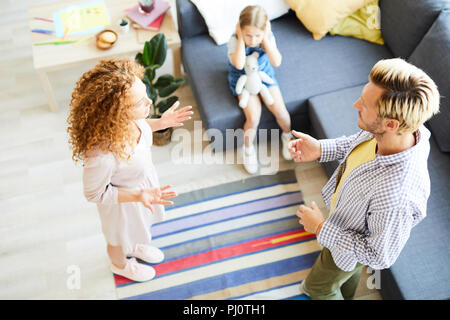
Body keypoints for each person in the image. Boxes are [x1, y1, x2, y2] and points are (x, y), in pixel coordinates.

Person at [288, 58, 440, 300]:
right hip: (345, 227)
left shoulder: (397, 196)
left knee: (318, 287)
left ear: (391, 123)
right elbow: (354, 143)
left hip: (346, 245)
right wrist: (320, 149)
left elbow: (378, 256)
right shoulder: (389, 132)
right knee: (344, 279)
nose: (355, 104)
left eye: (365, 105)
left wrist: (320, 227)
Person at [67, 58, 193, 282]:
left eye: (144, 92)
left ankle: (133, 246)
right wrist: (137, 195)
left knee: (137, 227)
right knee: (117, 238)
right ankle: (120, 264)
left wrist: (160, 123)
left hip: (141, 190)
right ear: (116, 112)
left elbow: (142, 126)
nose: (149, 101)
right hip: (120, 204)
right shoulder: (102, 154)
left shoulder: (131, 121)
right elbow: (93, 194)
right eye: (138, 102)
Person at [228, 5, 293, 174]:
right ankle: (248, 149)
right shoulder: (235, 41)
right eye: (248, 35)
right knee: (253, 117)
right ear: (240, 30)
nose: (252, 40)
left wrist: (265, 38)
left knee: (281, 112)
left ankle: (287, 136)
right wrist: (241, 39)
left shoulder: (267, 37)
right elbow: (239, 64)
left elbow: (277, 61)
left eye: (257, 35)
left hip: (264, 77)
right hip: (242, 80)